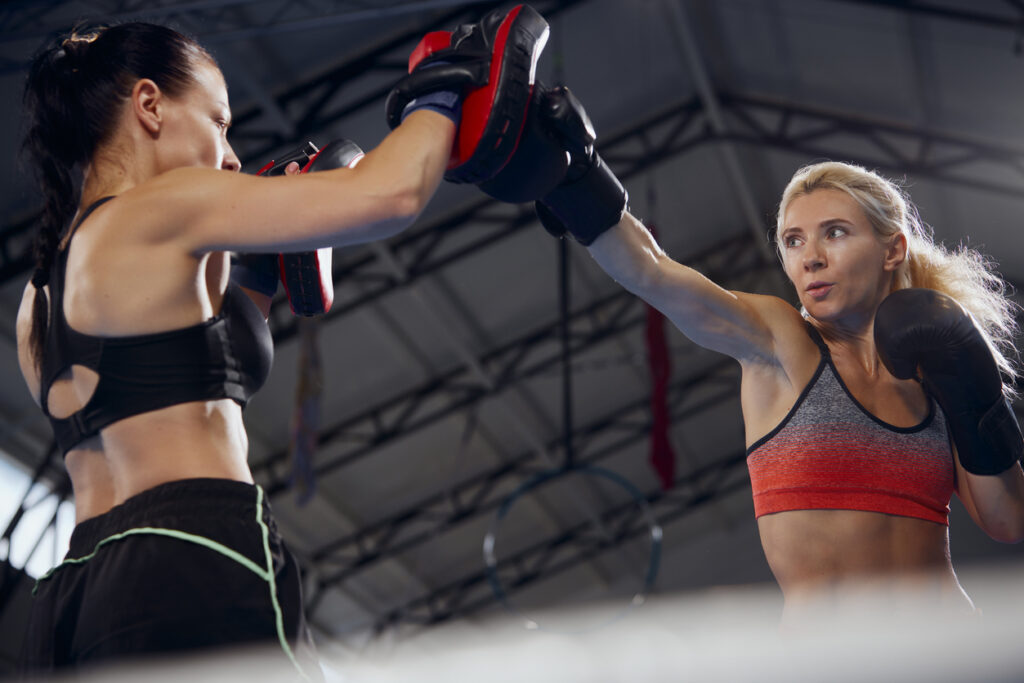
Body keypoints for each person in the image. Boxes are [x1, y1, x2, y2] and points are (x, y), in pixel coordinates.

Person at [12, 17, 484, 677]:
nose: (232, 157)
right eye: (219, 122)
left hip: (74, 602)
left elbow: (174, 381)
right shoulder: (165, 205)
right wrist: (445, 91)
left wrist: (257, 278)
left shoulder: (37, 300)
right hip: (194, 556)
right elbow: (393, 192)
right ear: (149, 105)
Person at [471, 84, 1024, 626]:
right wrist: (577, 179)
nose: (811, 258)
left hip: (951, 654)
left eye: (834, 233)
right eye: (793, 240)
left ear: (892, 248)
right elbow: (656, 273)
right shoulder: (780, 341)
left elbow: (1007, 520)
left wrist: (981, 400)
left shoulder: (933, 372)